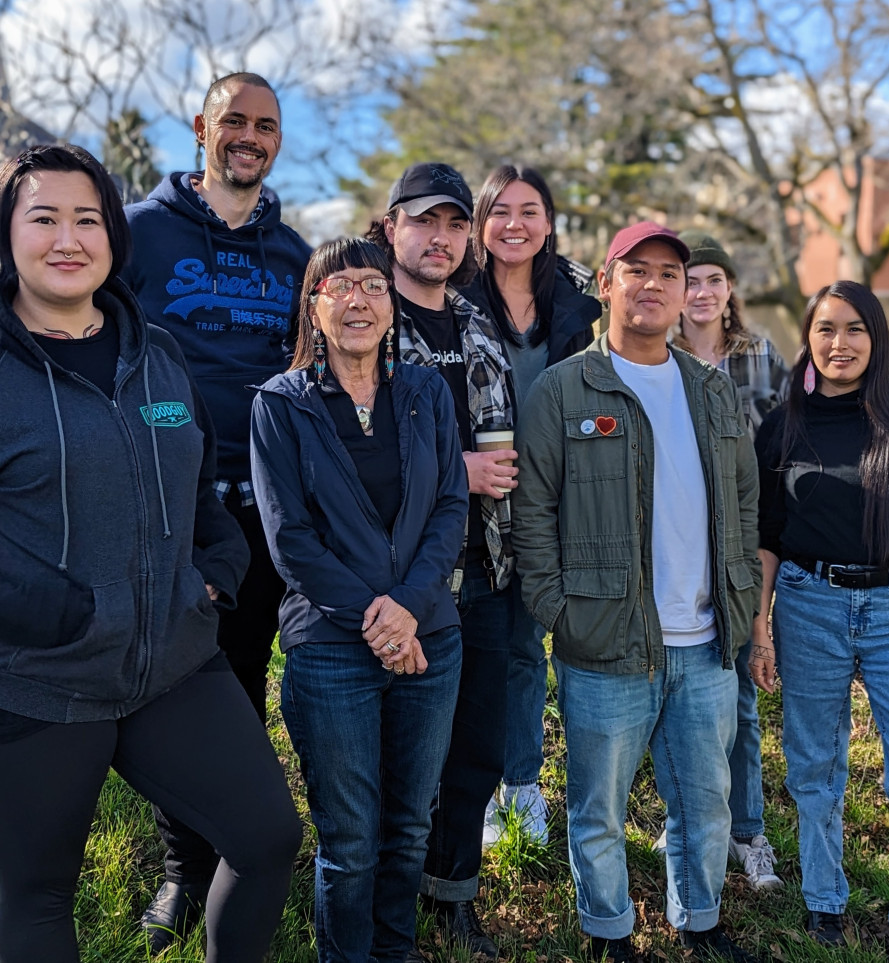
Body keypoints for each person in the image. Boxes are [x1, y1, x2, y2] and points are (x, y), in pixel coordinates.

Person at [0, 144, 302, 963]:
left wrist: (214, 569)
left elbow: (202, 485)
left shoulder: (159, 356)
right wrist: (46, 611)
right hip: (25, 682)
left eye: (87, 219)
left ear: (113, 238)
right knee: (41, 893)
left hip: (168, 664)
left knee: (268, 837)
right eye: (44, 218)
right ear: (8, 236)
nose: (68, 238)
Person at [514, 222, 762, 963]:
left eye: (669, 274)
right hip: (603, 639)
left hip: (705, 640)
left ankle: (701, 922)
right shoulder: (563, 387)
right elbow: (532, 511)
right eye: (636, 271)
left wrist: (742, 600)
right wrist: (557, 609)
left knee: (705, 804)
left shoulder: (713, 390)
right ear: (607, 284)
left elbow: (745, 501)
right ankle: (609, 933)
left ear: (688, 293)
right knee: (599, 808)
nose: (652, 285)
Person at [120, 71, 312, 949]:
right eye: (234, 120)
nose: (249, 136)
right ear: (201, 126)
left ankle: (249, 846)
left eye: (265, 125)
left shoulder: (297, 254)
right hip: (170, 509)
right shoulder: (135, 233)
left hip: (271, 514)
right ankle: (183, 868)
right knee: (179, 692)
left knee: (246, 683)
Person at [250, 237, 468, 963]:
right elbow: (292, 541)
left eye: (373, 285)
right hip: (332, 650)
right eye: (338, 286)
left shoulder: (425, 392)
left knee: (408, 827)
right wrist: (380, 621)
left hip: (430, 641)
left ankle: (395, 951)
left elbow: (448, 509)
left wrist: (407, 608)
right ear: (313, 306)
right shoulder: (281, 405)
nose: (358, 300)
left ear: (390, 303)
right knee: (348, 838)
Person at [750, 280, 889, 962]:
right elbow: (766, 535)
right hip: (807, 604)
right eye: (825, 329)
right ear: (808, 337)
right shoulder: (784, 422)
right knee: (815, 767)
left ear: (876, 337)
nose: (838, 343)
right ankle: (825, 901)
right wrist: (760, 625)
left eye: (854, 329)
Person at [366, 162, 516, 960]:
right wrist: (459, 468)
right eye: (425, 222)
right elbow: (352, 443)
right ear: (392, 228)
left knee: (476, 746)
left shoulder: (476, 320)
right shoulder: (366, 317)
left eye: (456, 225)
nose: (442, 238)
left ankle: (453, 892)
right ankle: (386, 898)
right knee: (405, 752)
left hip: (485, 565)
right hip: (403, 576)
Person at [462, 164, 601, 847]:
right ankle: (476, 784)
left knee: (524, 647)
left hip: (552, 499)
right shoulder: (453, 296)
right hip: (472, 499)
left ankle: (522, 779)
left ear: (549, 222)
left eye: (530, 210)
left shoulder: (575, 303)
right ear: (481, 222)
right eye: (500, 211)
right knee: (475, 648)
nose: (514, 223)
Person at [663, 230, 789, 890]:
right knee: (666, 692)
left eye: (715, 278)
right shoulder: (650, 352)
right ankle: (682, 818)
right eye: (692, 278)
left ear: (730, 288)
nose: (703, 291)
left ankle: (748, 830)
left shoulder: (762, 358)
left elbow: (793, 448)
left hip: (741, 551)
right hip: (668, 548)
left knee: (737, 695)